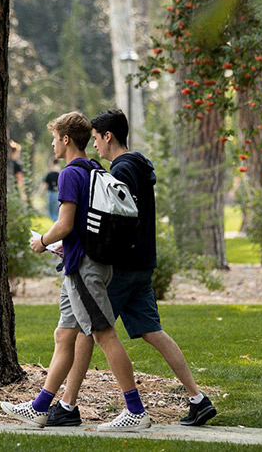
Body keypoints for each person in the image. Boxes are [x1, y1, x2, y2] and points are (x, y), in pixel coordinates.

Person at [45, 109, 217, 429]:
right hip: (142, 264)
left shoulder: (122, 171)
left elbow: (114, 220)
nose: (94, 145)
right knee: (153, 332)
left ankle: (69, 405)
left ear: (107, 136)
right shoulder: (138, 164)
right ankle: (198, 399)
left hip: (122, 266)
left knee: (92, 329)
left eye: (96, 138)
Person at [0, 112, 151, 432]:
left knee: (104, 333)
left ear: (66, 139)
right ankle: (41, 407)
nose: (53, 144)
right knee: (64, 334)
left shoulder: (70, 173)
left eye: (55, 139)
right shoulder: (94, 169)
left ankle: (135, 409)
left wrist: (42, 241)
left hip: (84, 269)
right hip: (88, 264)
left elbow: (65, 224)